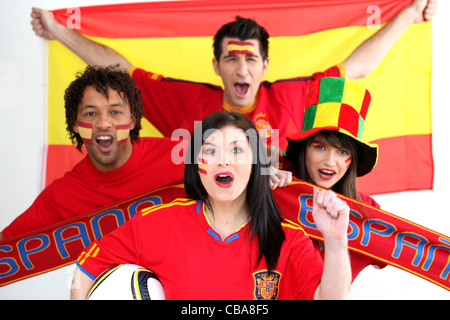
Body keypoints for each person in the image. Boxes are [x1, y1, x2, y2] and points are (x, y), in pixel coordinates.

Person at [30, 0, 437, 153]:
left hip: (278, 242)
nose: (242, 69)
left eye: (250, 60)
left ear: (265, 67)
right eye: (232, 59)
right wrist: (57, 29)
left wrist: (409, 11)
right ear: (216, 66)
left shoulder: (296, 97)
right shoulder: (186, 102)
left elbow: (359, 66)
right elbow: (119, 71)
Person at [71, 110, 351, 300]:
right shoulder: (157, 224)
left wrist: (336, 242)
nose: (224, 161)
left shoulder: (289, 239)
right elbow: (86, 268)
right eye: (210, 150)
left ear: (256, 164)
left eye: (237, 150)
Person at [0, 65, 186, 240]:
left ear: (132, 120)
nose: (104, 123)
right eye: (91, 114)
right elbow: (7, 248)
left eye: (115, 112)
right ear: (75, 124)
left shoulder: (182, 156)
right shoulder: (61, 196)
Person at [279, 76, 386, 282]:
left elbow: (396, 252)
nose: (330, 161)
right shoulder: (278, 186)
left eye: (342, 152)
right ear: (304, 148)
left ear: (352, 159)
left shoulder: (368, 212)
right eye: (320, 147)